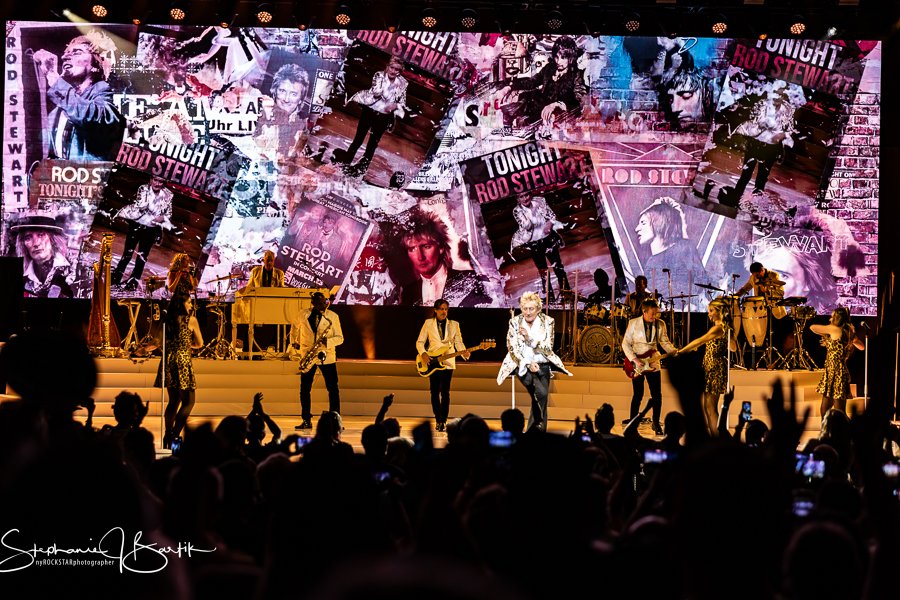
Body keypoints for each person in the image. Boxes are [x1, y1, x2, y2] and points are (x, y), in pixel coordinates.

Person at [32, 30, 124, 161]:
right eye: (66, 53)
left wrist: (53, 76)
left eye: (76, 52)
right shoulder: (58, 109)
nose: (65, 57)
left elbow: (93, 118)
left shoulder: (102, 92)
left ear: (96, 63)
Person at [496, 291, 572, 432]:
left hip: (542, 365)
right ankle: (534, 432)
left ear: (538, 309)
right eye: (525, 308)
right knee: (540, 394)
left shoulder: (548, 321)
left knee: (541, 398)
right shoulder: (515, 322)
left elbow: (548, 348)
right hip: (522, 365)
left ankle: (537, 433)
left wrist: (529, 338)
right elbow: (512, 348)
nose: (528, 312)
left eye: (531, 309)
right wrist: (528, 363)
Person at [720, 83, 805, 207]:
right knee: (745, 175)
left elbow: (790, 130)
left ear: (784, 96)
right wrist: (762, 127)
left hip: (771, 148)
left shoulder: (787, 110)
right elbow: (751, 122)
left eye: (780, 94)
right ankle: (735, 200)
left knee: (761, 179)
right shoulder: (761, 104)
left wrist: (782, 136)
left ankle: (755, 205)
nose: (777, 97)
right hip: (755, 144)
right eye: (775, 93)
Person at [332, 56, 408, 177]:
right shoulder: (379, 75)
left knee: (372, 146)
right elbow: (376, 92)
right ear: (387, 67)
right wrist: (389, 88)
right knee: (358, 140)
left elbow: (402, 102)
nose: (393, 71)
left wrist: (395, 105)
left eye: (397, 69)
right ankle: (344, 165)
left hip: (383, 117)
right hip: (370, 111)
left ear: (400, 71)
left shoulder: (403, 83)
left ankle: (360, 172)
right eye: (392, 68)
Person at [397, 208, 490, 307]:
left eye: (426, 247)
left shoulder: (471, 279)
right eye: (412, 249)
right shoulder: (408, 293)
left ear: (441, 247)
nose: (420, 257)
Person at [498, 35, 587, 132]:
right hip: (539, 109)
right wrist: (510, 87)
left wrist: (557, 104)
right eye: (556, 57)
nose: (558, 61)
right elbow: (532, 81)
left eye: (563, 57)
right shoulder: (550, 68)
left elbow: (580, 100)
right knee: (516, 114)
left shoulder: (576, 74)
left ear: (570, 58)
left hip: (558, 117)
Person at [153, 291, 203, 449]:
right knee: (189, 402)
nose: (191, 305)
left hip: (168, 360)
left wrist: (142, 350)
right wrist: (187, 344)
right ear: (182, 304)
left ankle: (167, 434)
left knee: (173, 401)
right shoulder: (191, 320)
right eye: (189, 302)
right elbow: (199, 343)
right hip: (182, 361)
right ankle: (174, 434)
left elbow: (157, 342)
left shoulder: (166, 320)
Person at [674, 299, 731, 434]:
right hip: (711, 367)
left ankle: (716, 438)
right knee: (708, 407)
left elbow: (700, 340)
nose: (709, 314)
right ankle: (715, 437)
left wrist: (681, 351)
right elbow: (733, 347)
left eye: (711, 311)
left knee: (710, 407)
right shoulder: (725, 328)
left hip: (714, 369)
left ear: (719, 312)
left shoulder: (718, 328)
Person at [621, 298, 677, 435]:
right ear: (644, 311)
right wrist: (634, 359)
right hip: (637, 362)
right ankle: (633, 423)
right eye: (652, 313)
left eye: (656, 313)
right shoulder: (633, 323)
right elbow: (625, 343)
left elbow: (664, 342)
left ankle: (656, 423)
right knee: (637, 394)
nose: (655, 316)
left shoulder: (660, 324)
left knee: (657, 395)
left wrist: (674, 352)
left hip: (653, 361)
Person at [290, 292, 344, 430]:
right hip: (308, 355)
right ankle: (306, 420)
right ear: (313, 303)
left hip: (327, 355)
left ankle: (336, 421)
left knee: (333, 389)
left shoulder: (332, 316)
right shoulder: (303, 314)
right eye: (319, 303)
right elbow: (294, 326)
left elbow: (340, 338)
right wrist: (294, 342)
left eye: (324, 303)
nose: (322, 306)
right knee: (304, 389)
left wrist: (328, 341)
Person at [416, 299, 470, 432]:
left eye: (446, 309)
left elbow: (459, 342)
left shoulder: (454, 324)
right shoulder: (428, 323)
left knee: (445, 392)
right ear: (435, 310)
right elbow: (420, 342)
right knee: (434, 392)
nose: (444, 312)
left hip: (448, 361)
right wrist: (423, 353)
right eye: (441, 309)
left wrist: (464, 353)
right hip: (433, 361)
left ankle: (443, 421)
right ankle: (438, 419)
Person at [635, 197, 707, 297]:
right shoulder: (650, 263)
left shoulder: (684, 247)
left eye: (643, 223)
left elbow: (702, 281)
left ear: (658, 222)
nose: (637, 229)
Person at [112, 177, 174, 291]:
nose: (157, 183)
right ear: (150, 180)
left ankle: (132, 283)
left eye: (161, 182)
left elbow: (169, 213)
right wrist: (152, 197)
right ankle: (115, 278)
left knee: (142, 258)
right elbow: (141, 206)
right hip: (136, 225)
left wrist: (162, 217)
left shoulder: (168, 195)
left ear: (164, 183)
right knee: (127, 254)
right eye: (155, 180)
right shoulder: (143, 189)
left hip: (151, 229)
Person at [510, 192, 571, 302]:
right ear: (517, 199)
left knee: (558, 267)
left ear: (530, 194)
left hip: (548, 239)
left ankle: (567, 293)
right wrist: (532, 213)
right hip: (534, 243)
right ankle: (550, 297)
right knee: (543, 272)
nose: (525, 198)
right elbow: (527, 226)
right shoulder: (517, 210)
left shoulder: (540, 201)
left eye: (526, 195)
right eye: (521, 197)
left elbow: (552, 216)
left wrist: (549, 224)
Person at [255, 63, 310, 162]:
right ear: (274, 91)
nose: (286, 99)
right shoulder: (257, 114)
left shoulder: (305, 126)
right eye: (282, 91)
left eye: (293, 94)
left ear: (301, 99)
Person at [10, 214, 74, 298]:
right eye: (28, 238)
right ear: (23, 244)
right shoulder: (22, 277)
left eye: (41, 235)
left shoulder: (72, 270)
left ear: (52, 239)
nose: (36, 243)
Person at [810, 307, 856, 417]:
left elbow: (813, 327)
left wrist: (827, 331)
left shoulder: (834, 329)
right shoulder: (847, 331)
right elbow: (861, 346)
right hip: (834, 372)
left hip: (836, 373)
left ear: (837, 318)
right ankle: (826, 427)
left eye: (832, 316)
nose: (830, 318)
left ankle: (845, 428)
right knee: (825, 409)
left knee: (838, 411)